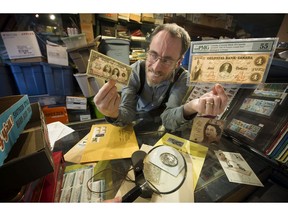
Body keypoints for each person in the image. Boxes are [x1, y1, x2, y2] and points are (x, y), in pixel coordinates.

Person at [94, 23, 228, 131]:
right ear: (147, 51)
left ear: (179, 62)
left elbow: (169, 119)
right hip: (135, 121)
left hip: (160, 124)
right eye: (153, 54)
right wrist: (112, 113)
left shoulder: (182, 78)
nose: (156, 67)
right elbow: (127, 112)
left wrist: (192, 106)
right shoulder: (136, 70)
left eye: (167, 60)